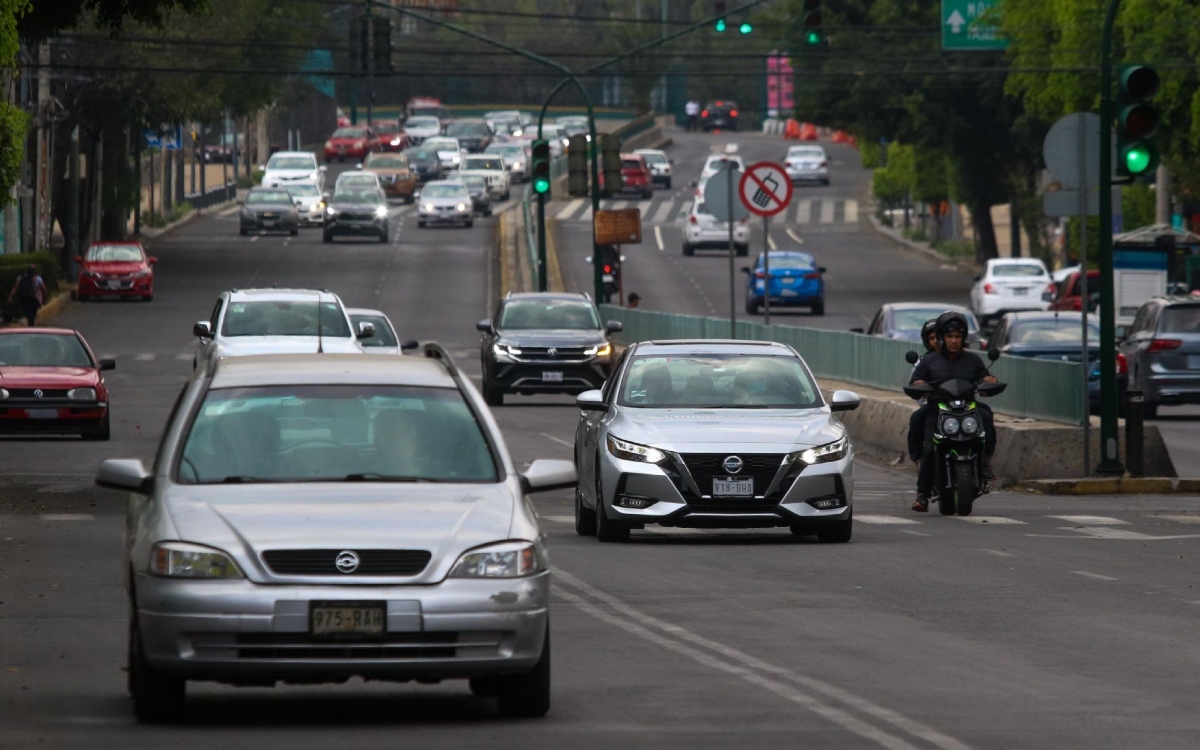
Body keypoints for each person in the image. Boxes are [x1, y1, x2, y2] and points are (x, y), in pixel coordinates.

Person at [908, 312, 998, 512]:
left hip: (967, 407)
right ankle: (922, 493)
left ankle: (985, 463)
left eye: (958, 337)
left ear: (963, 338)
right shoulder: (929, 361)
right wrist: (918, 383)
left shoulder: (973, 360)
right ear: (942, 338)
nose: (954, 341)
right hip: (939, 409)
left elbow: (985, 378)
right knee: (930, 448)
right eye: (950, 337)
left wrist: (989, 380)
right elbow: (915, 381)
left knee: (985, 415)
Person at [906, 319, 940, 465]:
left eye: (939, 337)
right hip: (936, 406)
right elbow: (914, 384)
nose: (936, 342)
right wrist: (922, 390)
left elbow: (979, 375)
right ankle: (919, 459)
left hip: (964, 405)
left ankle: (985, 460)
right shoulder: (924, 362)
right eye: (932, 338)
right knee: (916, 419)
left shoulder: (966, 358)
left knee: (985, 414)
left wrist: (987, 379)